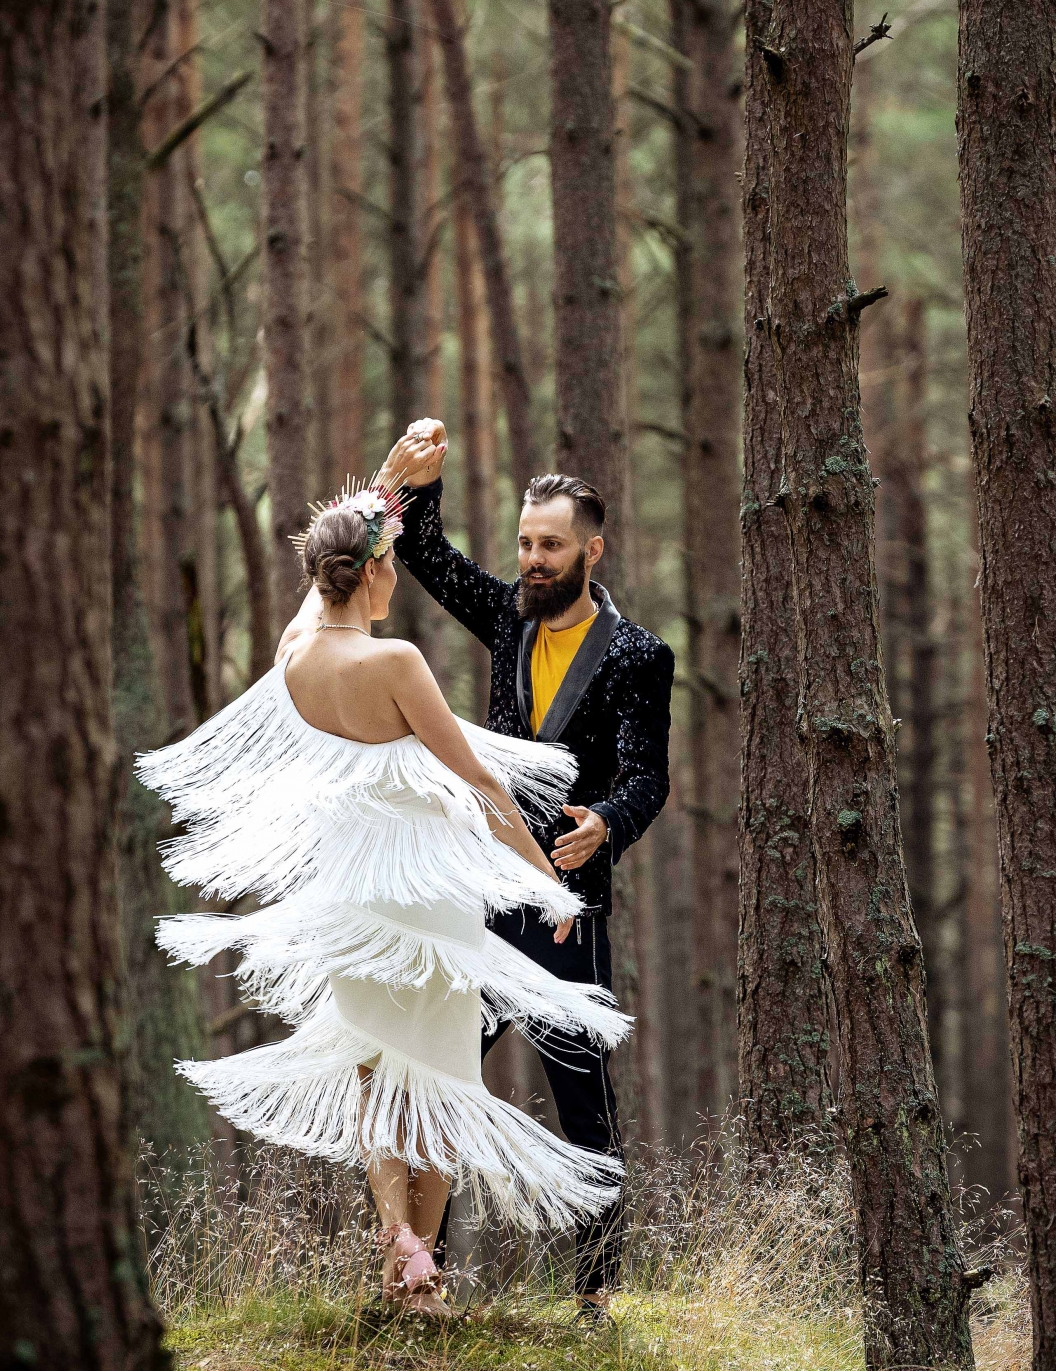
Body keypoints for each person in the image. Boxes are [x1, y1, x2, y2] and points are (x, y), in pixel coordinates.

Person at [138, 481, 631, 1318]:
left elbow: (311, 607)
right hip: (425, 903)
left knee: (378, 1082)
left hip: (351, 903)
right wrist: (543, 878)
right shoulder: (394, 662)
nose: (396, 576)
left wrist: (378, 494)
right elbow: (477, 782)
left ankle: (401, 1253)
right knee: (438, 1084)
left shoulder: (296, 657)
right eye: (390, 562)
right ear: (368, 573)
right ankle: (421, 1287)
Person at [375, 420, 675, 1323]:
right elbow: (425, 555)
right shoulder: (509, 618)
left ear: (592, 548)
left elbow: (648, 776)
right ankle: (416, 1279)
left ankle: (595, 1293)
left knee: (581, 1097)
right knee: (441, 1075)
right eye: (523, 543)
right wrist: (412, 482)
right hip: (487, 895)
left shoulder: (638, 655)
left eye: (549, 545)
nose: (531, 560)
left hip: (567, 909)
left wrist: (608, 825)